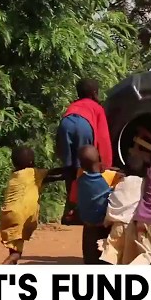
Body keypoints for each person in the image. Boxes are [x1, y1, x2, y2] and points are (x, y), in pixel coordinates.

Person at [57, 78, 113, 223]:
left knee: (70, 169)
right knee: (83, 168)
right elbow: (103, 137)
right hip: (84, 125)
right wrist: (106, 164)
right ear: (94, 93)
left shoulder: (73, 105)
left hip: (66, 123)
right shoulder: (97, 108)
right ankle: (78, 210)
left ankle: (69, 209)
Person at [0, 146, 67, 265]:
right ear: (31, 161)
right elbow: (52, 173)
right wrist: (70, 170)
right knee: (16, 254)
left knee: (14, 247)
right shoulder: (33, 172)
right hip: (20, 214)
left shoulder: (14, 175)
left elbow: (43, 180)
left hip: (7, 214)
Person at [99, 156, 145, 265]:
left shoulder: (120, 183)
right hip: (132, 227)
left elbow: (113, 201)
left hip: (117, 226)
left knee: (114, 257)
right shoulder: (143, 183)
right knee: (129, 260)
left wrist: (107, 221)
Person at [76, 145, 116, 264]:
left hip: (89, 227)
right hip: (105, 227)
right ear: (99, 159)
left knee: (90, 261)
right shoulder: (109, 177)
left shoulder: (80, 178)